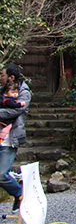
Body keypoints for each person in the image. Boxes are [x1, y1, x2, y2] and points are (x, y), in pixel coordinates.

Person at [0, 64, 29, 212]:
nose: (0, 78)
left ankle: (19, 193)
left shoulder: (24, 93)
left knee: (1, 174)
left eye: (2, 75)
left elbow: (17, 110)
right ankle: (17, 180)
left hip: (9, 138)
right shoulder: (2, 91)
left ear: (11, 77)